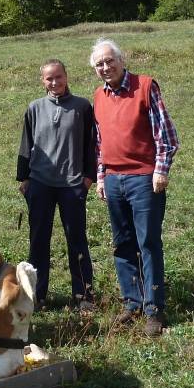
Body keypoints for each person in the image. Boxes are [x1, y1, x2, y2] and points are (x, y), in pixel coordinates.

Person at [90, 38, 179, 337]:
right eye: (99, 64)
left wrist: (160, 171)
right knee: (122, 243)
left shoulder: (145, 86)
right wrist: (102, 178)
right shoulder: (99, 97)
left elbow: (166, 135)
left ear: (121, 59)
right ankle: (132, 302)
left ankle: (154, 309)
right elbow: (100, 143)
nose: (105, 67)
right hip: (114, 180)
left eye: (109, 61)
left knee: (148, 243)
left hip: (144, 178)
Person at [17, 59, 97, 313]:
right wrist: (24, 178)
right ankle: (36, 295)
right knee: (38, 240)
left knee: (77, 239)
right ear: (43, 81)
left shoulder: (82, 107)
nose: (55, 82)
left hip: (72, 184)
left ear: (66, 76)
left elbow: (91, 144)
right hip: (40, 183)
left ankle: (83, 294)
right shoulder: (34, 108)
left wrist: (88, 177)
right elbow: (26, 143)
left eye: (59, 77)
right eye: (49, 79)